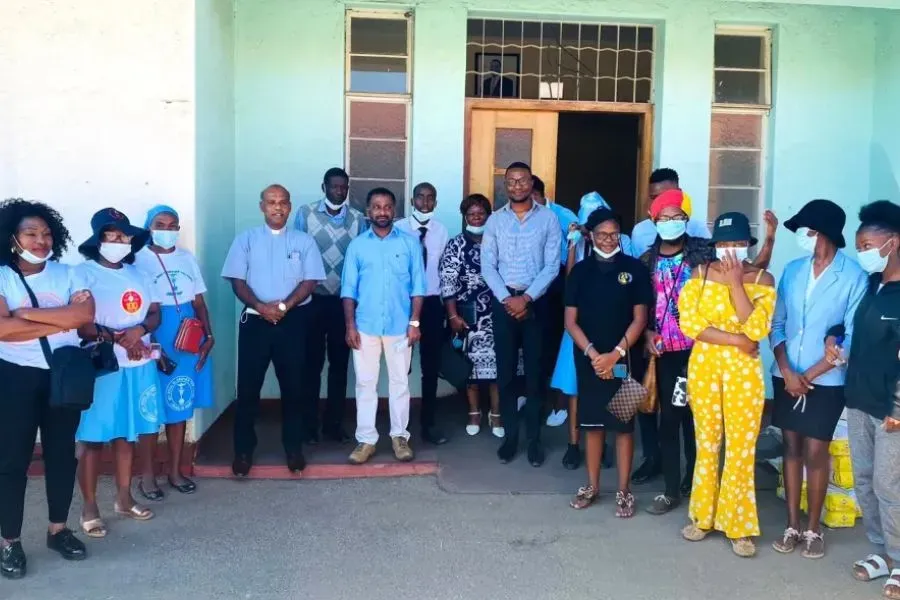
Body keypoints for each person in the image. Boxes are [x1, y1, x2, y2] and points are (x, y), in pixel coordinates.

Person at [631, 189, 777, 487]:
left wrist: (770, 241)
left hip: (701, 350)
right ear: (654, 220)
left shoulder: (703, 253)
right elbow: (642, 301)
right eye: (665, 218)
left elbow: (748, 272)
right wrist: (645, 332)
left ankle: (691, 481)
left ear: (686, 220)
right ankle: (670, 486)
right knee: (668, 417)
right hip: (665, 352)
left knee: (696, 423)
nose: (671, 222)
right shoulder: (647, 259)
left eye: (678, 217)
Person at [0, 199, 94, 579]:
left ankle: (58, 530)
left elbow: (85, 317)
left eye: (46, 234)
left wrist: (23, 315)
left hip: (62, 375)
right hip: (14, 375)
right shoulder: (2, 276)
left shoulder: (69, 273)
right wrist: (60, 322)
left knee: (60, 456)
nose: (40, 240)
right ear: (12, 238)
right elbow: (2, 330)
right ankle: (10, 542)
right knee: (11, 461)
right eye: (30, 233)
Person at [769, 199, 867, 558]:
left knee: (816, 451)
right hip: (786, 374)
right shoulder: (793, 271)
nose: (800, 237)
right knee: (790, 448)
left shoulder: (854, 277)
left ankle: (813, 529)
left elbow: (853, 336)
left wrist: (807, 375)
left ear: (822, 233)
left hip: (826, 381)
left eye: (805, 231)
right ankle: (792, 524)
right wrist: (786, 370)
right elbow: (776, 324)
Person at [677, 211, 775, 558]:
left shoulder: (763, 279)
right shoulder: (699, 275)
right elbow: (691, 325)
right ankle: (702, 517)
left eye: (736, 242)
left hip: (744, 374)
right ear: (714, 245)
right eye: (723, 243)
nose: (730, 250)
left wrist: (736, 284)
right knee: (707, 443)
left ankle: (739, 526)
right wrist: (736, 341)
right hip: (705, 366)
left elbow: (758, 329)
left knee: (741, 448)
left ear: (748, 244)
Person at [221, 184, 326, 477]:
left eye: (282, 202)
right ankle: (243, 451)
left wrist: (285, 306)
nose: (277, 208)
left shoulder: (303, 241)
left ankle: (294, 449)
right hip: (255, 321)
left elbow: (310, 281)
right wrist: (260, 305)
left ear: (290, 207)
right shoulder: (246, 240)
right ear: (262, 206)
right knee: (248, 388)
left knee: (294, 387)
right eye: (271, 202)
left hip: (293, 322)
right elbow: (237, 281)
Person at [75, 208, 163, 536]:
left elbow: (155, 314)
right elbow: (81, 324)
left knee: (128, 435)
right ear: (97, 240)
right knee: (93, 438)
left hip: (138, 364)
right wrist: (117, 338)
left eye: (123, 235)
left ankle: (124, 499)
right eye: (110, 235)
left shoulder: (139, 273)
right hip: (104, 366)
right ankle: (89, 506)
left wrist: (138, 332)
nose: (118, 241)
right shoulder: (82, 274)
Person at [829, 201, 900, 597]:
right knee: (867, 481)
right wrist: (834, 337)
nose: (862, 253)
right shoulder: (873, 287)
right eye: (859, 245)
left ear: (893, 243)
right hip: (858, 400)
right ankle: (881, 552)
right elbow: (853, 325)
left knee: (892, 487)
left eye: (868, 244)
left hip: (891, 410)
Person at [564, 207, 651, 516]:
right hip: (589, 359)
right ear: (590, 235)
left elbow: (640, 319)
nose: (607, 240)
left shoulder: (634, 269)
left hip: (625, 360)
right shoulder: (580, 271)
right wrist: (593, 355)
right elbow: (570, 321)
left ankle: (624, 490)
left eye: (613, 234)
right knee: (592, 424)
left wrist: (615, 354)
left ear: (620, 235)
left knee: (624, 426)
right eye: (601, 234)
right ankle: (592, 485)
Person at [481, 162, 561, 466]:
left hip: (536, 303)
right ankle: (510, 437)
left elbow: (552, 265)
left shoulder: (549, 219)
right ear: (505, 186)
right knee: (505, 374)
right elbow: (488, 264)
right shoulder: (494, 222)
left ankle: (534, 440)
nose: (517, 186)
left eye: (522, 180)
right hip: (503, 305)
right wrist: (507, 299)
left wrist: (526, 298)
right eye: (511, 182)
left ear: (531, 183)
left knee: (535, 373)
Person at [133, 205, 215, 500]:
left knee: (180, 405)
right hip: (155, 336)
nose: (167, 230)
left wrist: (209, 335)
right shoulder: (137, 260)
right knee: (150, 408)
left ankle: (175, 470)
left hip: (188, 336)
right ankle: (147, 476)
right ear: (149, 226)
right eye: (160, 224)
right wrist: (151, 343)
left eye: (173, 225)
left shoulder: (187, 258)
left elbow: (199, 303)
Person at [342, 187, 426, 465]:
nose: (382, 211)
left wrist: (414, 322)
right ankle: (366, 440)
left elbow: (418, 287)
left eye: (387, 206)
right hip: (365, 326)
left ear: (394, 210)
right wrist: (350, 326)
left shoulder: (410, 244)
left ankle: (400, 436)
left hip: (400, 326)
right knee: (365, 384)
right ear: (368, 212)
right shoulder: (358, 246)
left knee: (400, 383)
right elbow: (348, 290)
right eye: (376, 206)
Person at [552, 192, 626, 470]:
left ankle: (603, 443)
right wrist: (573, 245)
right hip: (579, 332)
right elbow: (570, 281)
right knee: (574, 389)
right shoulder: (579, 252)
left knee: (611, 386)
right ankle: (573, 444)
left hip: (614, 333)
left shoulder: (621, 251)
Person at [295, 167, 367, 443]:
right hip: (311, 301)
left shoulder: (358, 220)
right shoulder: (305, 214)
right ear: (323, 187)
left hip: (343, 303)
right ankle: (308, 427)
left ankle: (333, 425)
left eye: (344, 187)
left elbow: (359, 260)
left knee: (340, 366)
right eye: (334, 186)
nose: (339, 191)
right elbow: (297, 256)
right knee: (311, 365)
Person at [439, 194, 509, 438]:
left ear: (489, 216)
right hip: (468, 316)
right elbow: (447, 282)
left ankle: (497, 414)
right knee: (471, 369)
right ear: (464, 217)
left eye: (481, 213)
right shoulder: (455, 244)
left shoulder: (499, 241)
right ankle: (474, 411)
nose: (476, 217)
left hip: (499, 313)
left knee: (498, 368)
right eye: (471, 214)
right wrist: (452, 316)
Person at [395, 182, 449, 445]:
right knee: (401, 367)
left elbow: (444, 270)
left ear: (435, 202)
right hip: (404, 304)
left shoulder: (441, 231)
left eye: (430, 198)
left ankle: (428, 425)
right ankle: (399, 428)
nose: (425, 203)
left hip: (432, 304)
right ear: (412, 199)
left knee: (430, 366)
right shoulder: (398, 229)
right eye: (420, 197)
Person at [531, 175, 578, 428]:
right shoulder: (523, 216)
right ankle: (532, 396)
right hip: (530, 279)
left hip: (559, 278)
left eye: (532, 198)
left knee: (556, 340)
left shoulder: (564, 215)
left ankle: (557, 400)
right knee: (533, 338)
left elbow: (578, 247)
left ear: (540, 194)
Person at [631, 168, 711, 258]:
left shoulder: (698, 229)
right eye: (654, 197)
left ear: (679, 193)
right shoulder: (640, 231)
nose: (661, 202)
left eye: (668, 196)